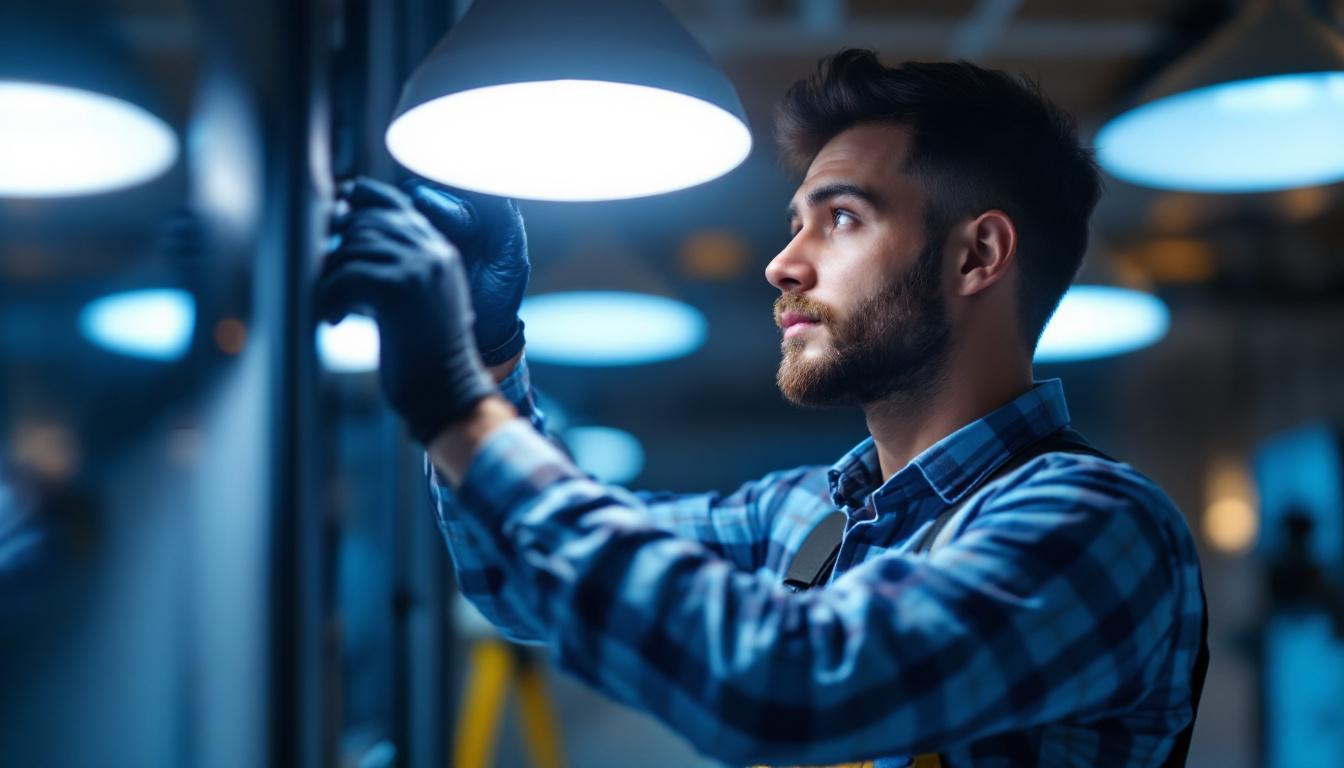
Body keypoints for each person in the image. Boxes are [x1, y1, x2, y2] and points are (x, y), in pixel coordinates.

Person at [318, 50, 1206, 767]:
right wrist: (490, 354)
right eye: (795, 223)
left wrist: (462, 408)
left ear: (977, 255)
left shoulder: (1097, 525)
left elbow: (797, 687)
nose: (783, 263)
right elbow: (522, 582)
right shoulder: (805, 518)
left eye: (843, 219)